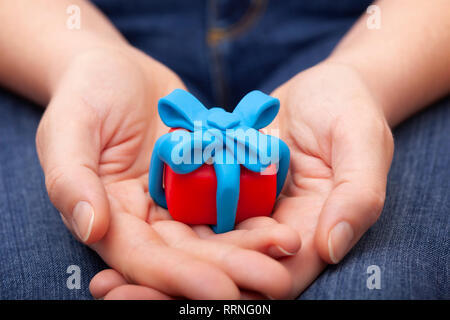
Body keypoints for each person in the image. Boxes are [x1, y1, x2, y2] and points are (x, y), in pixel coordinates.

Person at [0, 0, 448, 299]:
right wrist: (76, 56)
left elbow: (274, 164)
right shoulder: (185, 148)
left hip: (377, 35)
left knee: (387, 287)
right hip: (60, 27)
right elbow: (163, 169)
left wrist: (367, 76)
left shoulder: (252, 151)